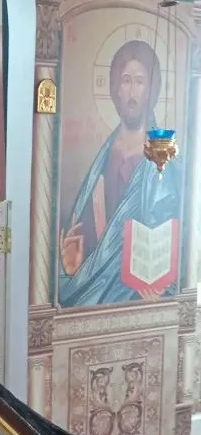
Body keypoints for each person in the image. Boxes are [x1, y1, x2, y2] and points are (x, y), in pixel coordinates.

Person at [59, 39, 181, 308]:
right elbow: (91, 234)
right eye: (126, 81)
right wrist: (76, 267)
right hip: (96, 298)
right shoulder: (104, 157)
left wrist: (164, 283)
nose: (132, 91)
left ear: (151, 90)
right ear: (116, 88)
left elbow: (174, 225)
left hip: (143, 298)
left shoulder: (163, 156)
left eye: (140, 81)